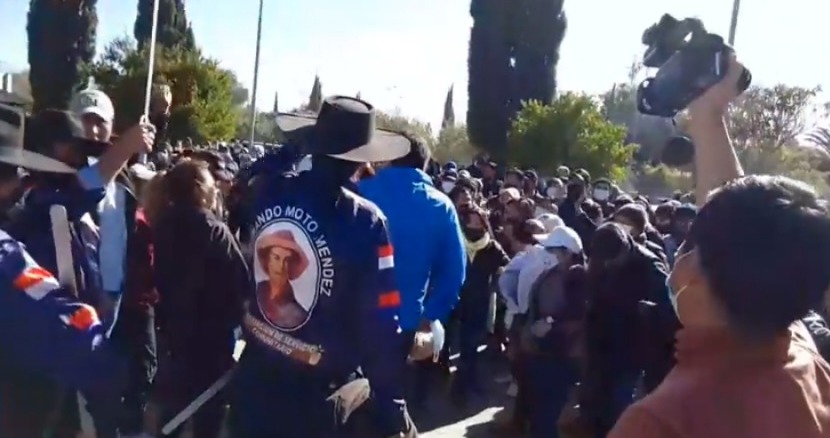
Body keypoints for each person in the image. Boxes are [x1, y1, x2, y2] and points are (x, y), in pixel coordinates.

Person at [609, 55, 830, 438]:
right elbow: (755, 231)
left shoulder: (661, 422)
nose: (680, 256)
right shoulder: (798, 354)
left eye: (691, 245)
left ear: (696, 278)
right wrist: (709, 114)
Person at [230, 96, 415, 437]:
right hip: (316, 401)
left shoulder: (267, 190)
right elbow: (382, 324)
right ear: (359, 162)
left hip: (253, 381)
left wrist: (296, 146)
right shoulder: (366, 221)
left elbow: (251, 178)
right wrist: (393, 405)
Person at [255, 229, 310, 329]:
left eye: (287, 260)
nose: (281, 266)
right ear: (267, 260)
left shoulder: (297, 315)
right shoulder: (256, 290)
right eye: (276, 258)